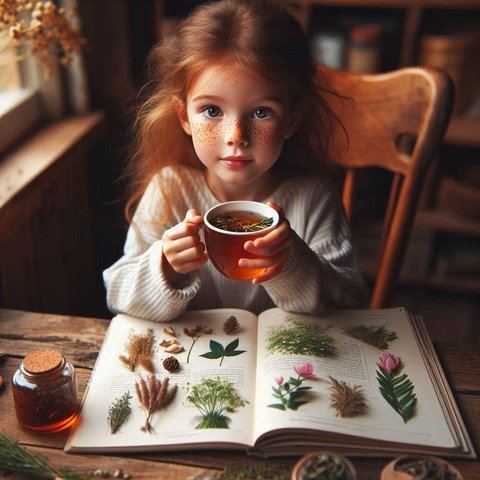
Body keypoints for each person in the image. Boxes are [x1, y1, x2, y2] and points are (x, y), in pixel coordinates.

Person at [103, 0, 368, 322]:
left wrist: (292, 263)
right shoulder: (171, 189)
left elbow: (352, 305)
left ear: (293, 118)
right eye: (212, 111)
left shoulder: (313, 199)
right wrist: (165, 266)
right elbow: (117, 295)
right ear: (183, 117)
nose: (236, 136)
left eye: (261, 112)